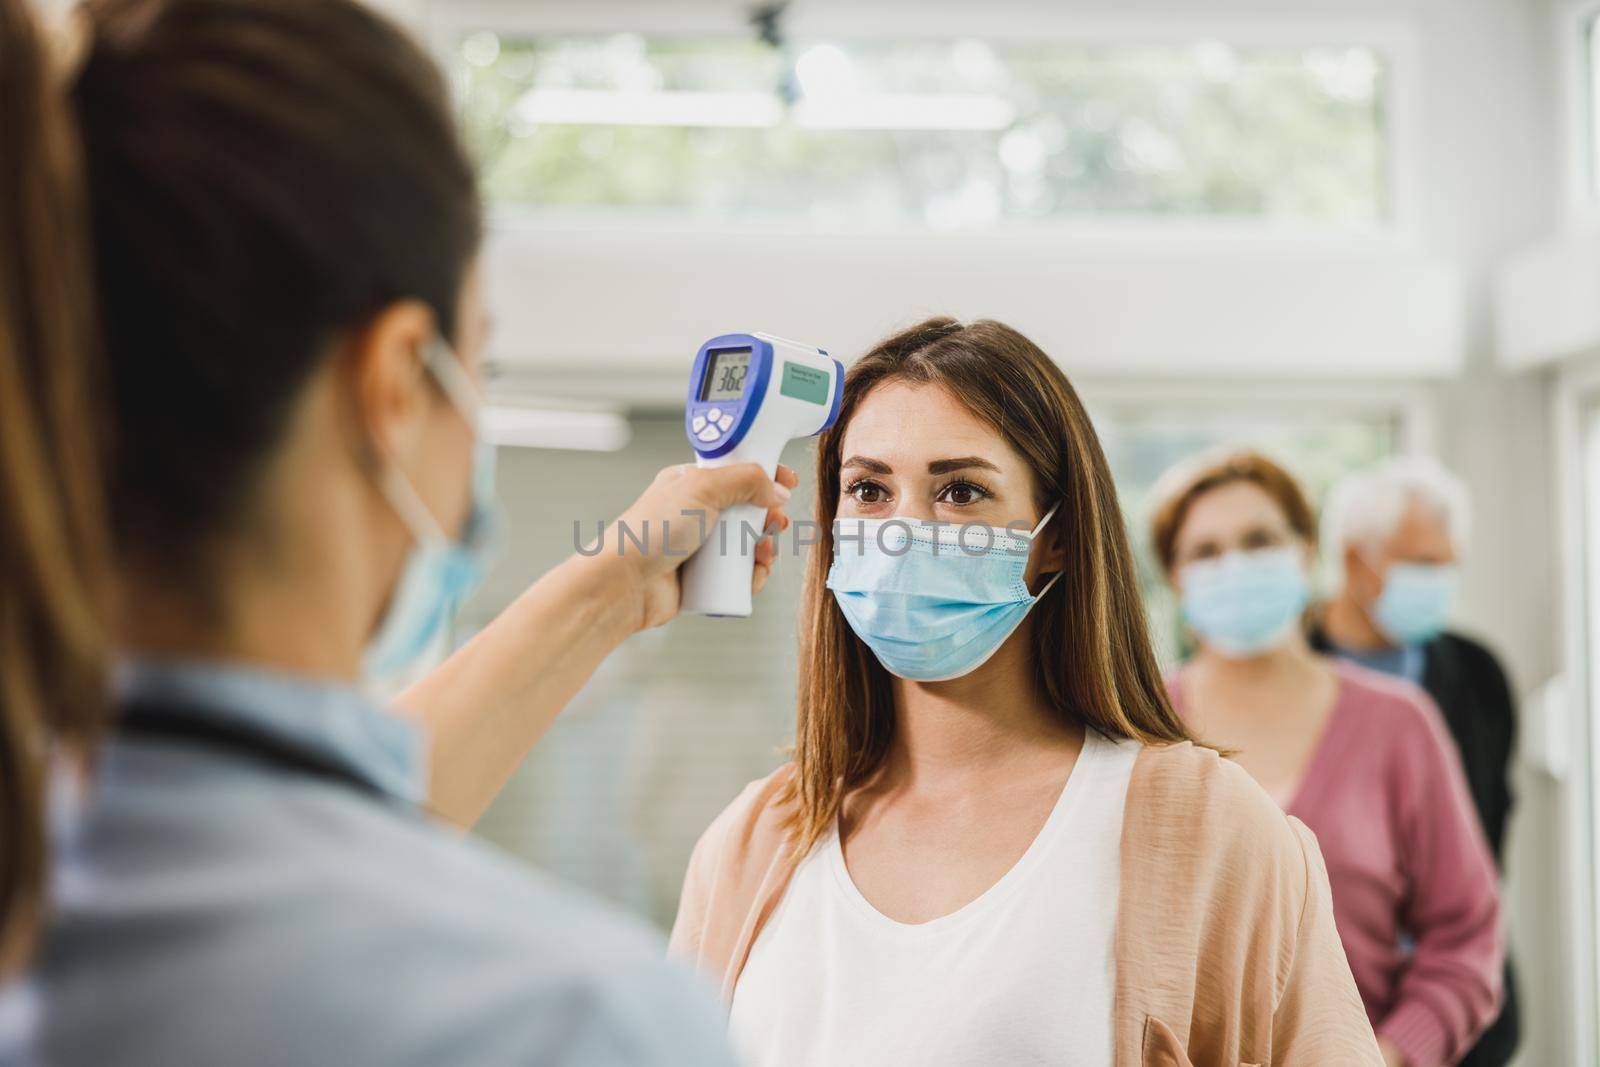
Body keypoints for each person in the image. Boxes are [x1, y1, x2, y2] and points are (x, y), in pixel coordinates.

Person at [0, 0, 799, 1063]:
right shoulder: (570, 1022)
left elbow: (300, 820)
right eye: (480, 363)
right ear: (392, 385)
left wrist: (604, 594)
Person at [671, 319, 1384, 1066]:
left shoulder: (1212, 830)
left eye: (960, 491)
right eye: (869, 489)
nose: (902, 528)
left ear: (1057, 536)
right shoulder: (752, 842)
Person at [1150, 448, 1503, 1067]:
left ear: (1305, 552)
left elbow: (1466, 937)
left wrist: (1384, 1056)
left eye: (1259, 540)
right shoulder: (1134, 726)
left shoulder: (1399, 724)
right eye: (1205, 551)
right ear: (1176, 579)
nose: (1234, 564)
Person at [1315, 457, 1520, 1067]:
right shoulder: (1291, 674)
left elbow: (1483, 846)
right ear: (1356, 561)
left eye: (1448, 564)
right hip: (1328, 1018)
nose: (1441, 582)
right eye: (1423, 565)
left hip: (1460, 1018)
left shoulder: (1478, 674)